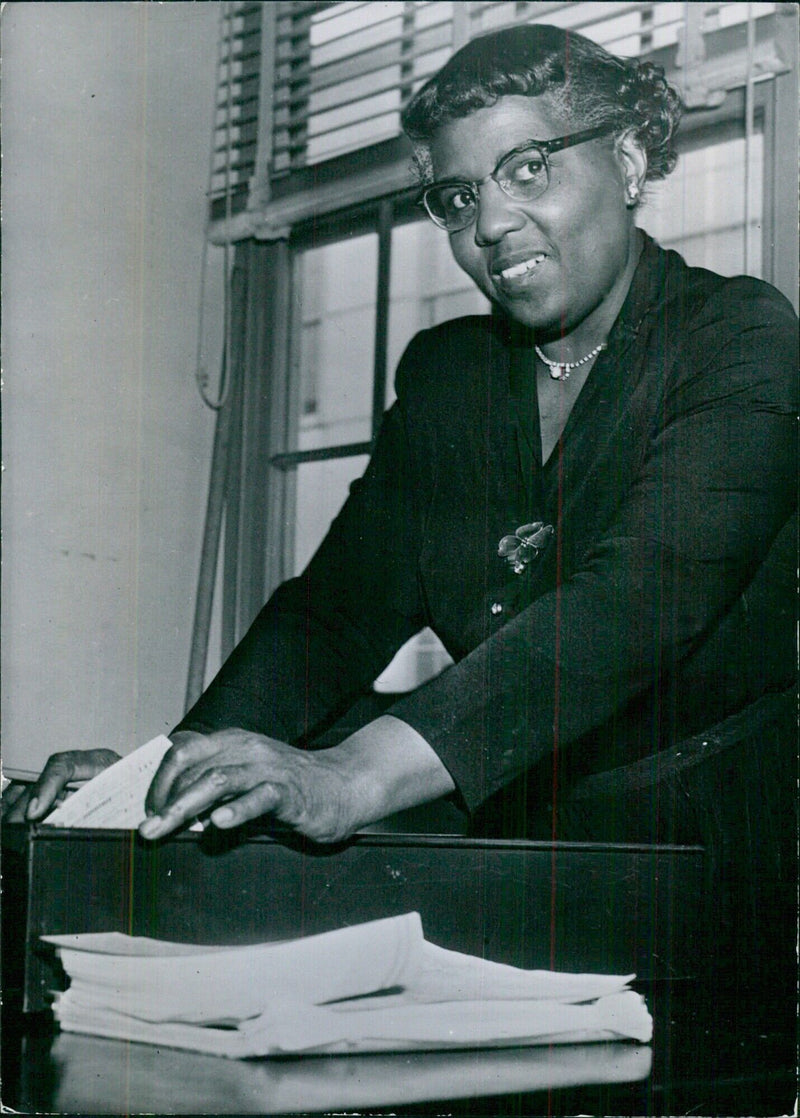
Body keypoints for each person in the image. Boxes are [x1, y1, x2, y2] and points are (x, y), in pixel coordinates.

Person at [5, 28, 796, 895]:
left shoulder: (740, 338)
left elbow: (634, 602)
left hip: (716, 855)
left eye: (530, 168)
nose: (490, 224)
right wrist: (172, 771)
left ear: (630, 161)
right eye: (458, 197)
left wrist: (354, 776)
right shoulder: (447, 376)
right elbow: (335, 615)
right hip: (510, 851)